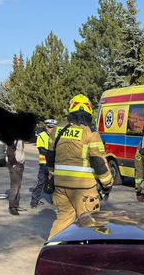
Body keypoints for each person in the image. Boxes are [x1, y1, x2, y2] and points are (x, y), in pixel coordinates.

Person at [48, 94, 113, 238]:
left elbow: (50, 156)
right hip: (84, 189)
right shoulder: (90, 133)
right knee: (90, 224)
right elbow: (98, 161)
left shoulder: (57, 130)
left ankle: (51, 251)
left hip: (61, 187)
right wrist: (108, 182)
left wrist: (52, 173)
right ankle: (88, 256)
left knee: (63, 221)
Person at [30, 119, 57, 208]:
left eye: (53, 128)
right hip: (44, 163)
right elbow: (41, 150)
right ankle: (34, 202)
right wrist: (52, 154)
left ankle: (55, 201)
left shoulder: (57, 136)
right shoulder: (41, 136)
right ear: (46, 127)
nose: (51, 129)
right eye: (49, 127)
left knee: (56, 183)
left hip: (54, 163)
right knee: (41, 182)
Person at [6, 138, 26, 215]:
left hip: (20, 165)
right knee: (15, 187)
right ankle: (12, 207)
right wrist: (14, 164)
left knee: (18, 186)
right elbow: (9, 152)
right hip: (16, 165)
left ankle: (15, 205)